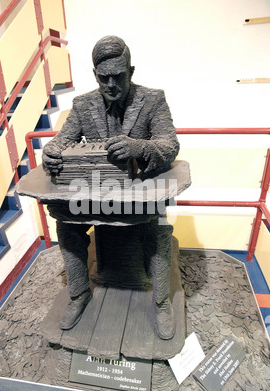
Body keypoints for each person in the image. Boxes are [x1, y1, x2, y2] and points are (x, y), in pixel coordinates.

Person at [42, 36, 180, 340]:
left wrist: (139, 147)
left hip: (139, 193)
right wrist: (51, 150)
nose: (111, 84)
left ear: (130, 71)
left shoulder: (153, 100)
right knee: (67, 225)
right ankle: (79, 294)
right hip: (94, 194)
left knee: (158, 228)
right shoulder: (82, 105)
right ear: (95, 75)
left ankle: (161, 302)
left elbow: (170, 145)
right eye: (104, 78)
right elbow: (62, 139)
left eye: (118, 76)